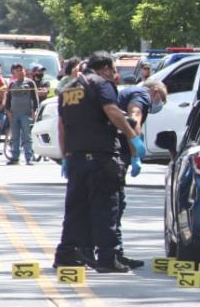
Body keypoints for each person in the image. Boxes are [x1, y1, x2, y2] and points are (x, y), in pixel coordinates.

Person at [53, 51, 147, 273]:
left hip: (76, 158)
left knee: (75, 210)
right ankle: (107, 257)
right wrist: (132, 136)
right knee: (106, 209)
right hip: (100, 157)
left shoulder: (67, 88)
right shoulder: (100, 84)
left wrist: (66, 156)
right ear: (104, 68)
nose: (113, 75)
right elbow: (112, 111)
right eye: (113, 70)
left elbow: (62, 125)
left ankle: (66, 254)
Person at [110, 80, 168, 268]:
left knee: (114, 202)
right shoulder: (143, 95)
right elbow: (134, 118)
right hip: (117, 151)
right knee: (116, 202)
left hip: (110, 148)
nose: (158, 105)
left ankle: (113, 251)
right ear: (156, 92)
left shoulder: (130, 92)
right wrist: (135, 154)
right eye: (162, 100)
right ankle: (113, 253)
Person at [5, 63, 40, 165]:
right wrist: (8, 112)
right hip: (14, 114)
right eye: (17, 71)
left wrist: (34, 111)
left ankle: (28, 157)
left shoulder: (30, 83)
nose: (20, 72)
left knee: (27, 136)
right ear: (14, 73)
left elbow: (35, 98)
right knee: (15, 137)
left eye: (21, 70)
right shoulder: (12, 84)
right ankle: (15, 158)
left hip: (26, 114)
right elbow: (8, 99)